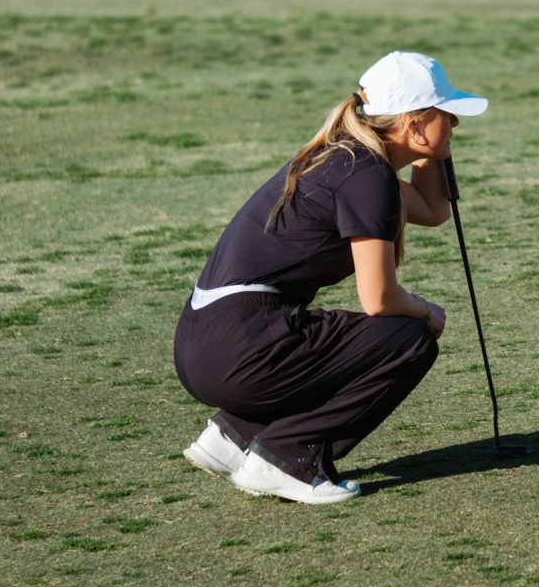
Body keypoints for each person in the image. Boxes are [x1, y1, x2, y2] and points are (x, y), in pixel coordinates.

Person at [173, 51, 488, 504]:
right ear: (413, 122)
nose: (456, 125)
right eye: (446, 114)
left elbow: (432, 209)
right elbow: (379, 299)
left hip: (209, 346)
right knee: (407, 337)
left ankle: (233, 436)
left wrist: (431, 151)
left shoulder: (346, 160)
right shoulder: (364, 175)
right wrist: (425, 309)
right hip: (236, 349)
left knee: (362, 337)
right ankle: (286, 456)